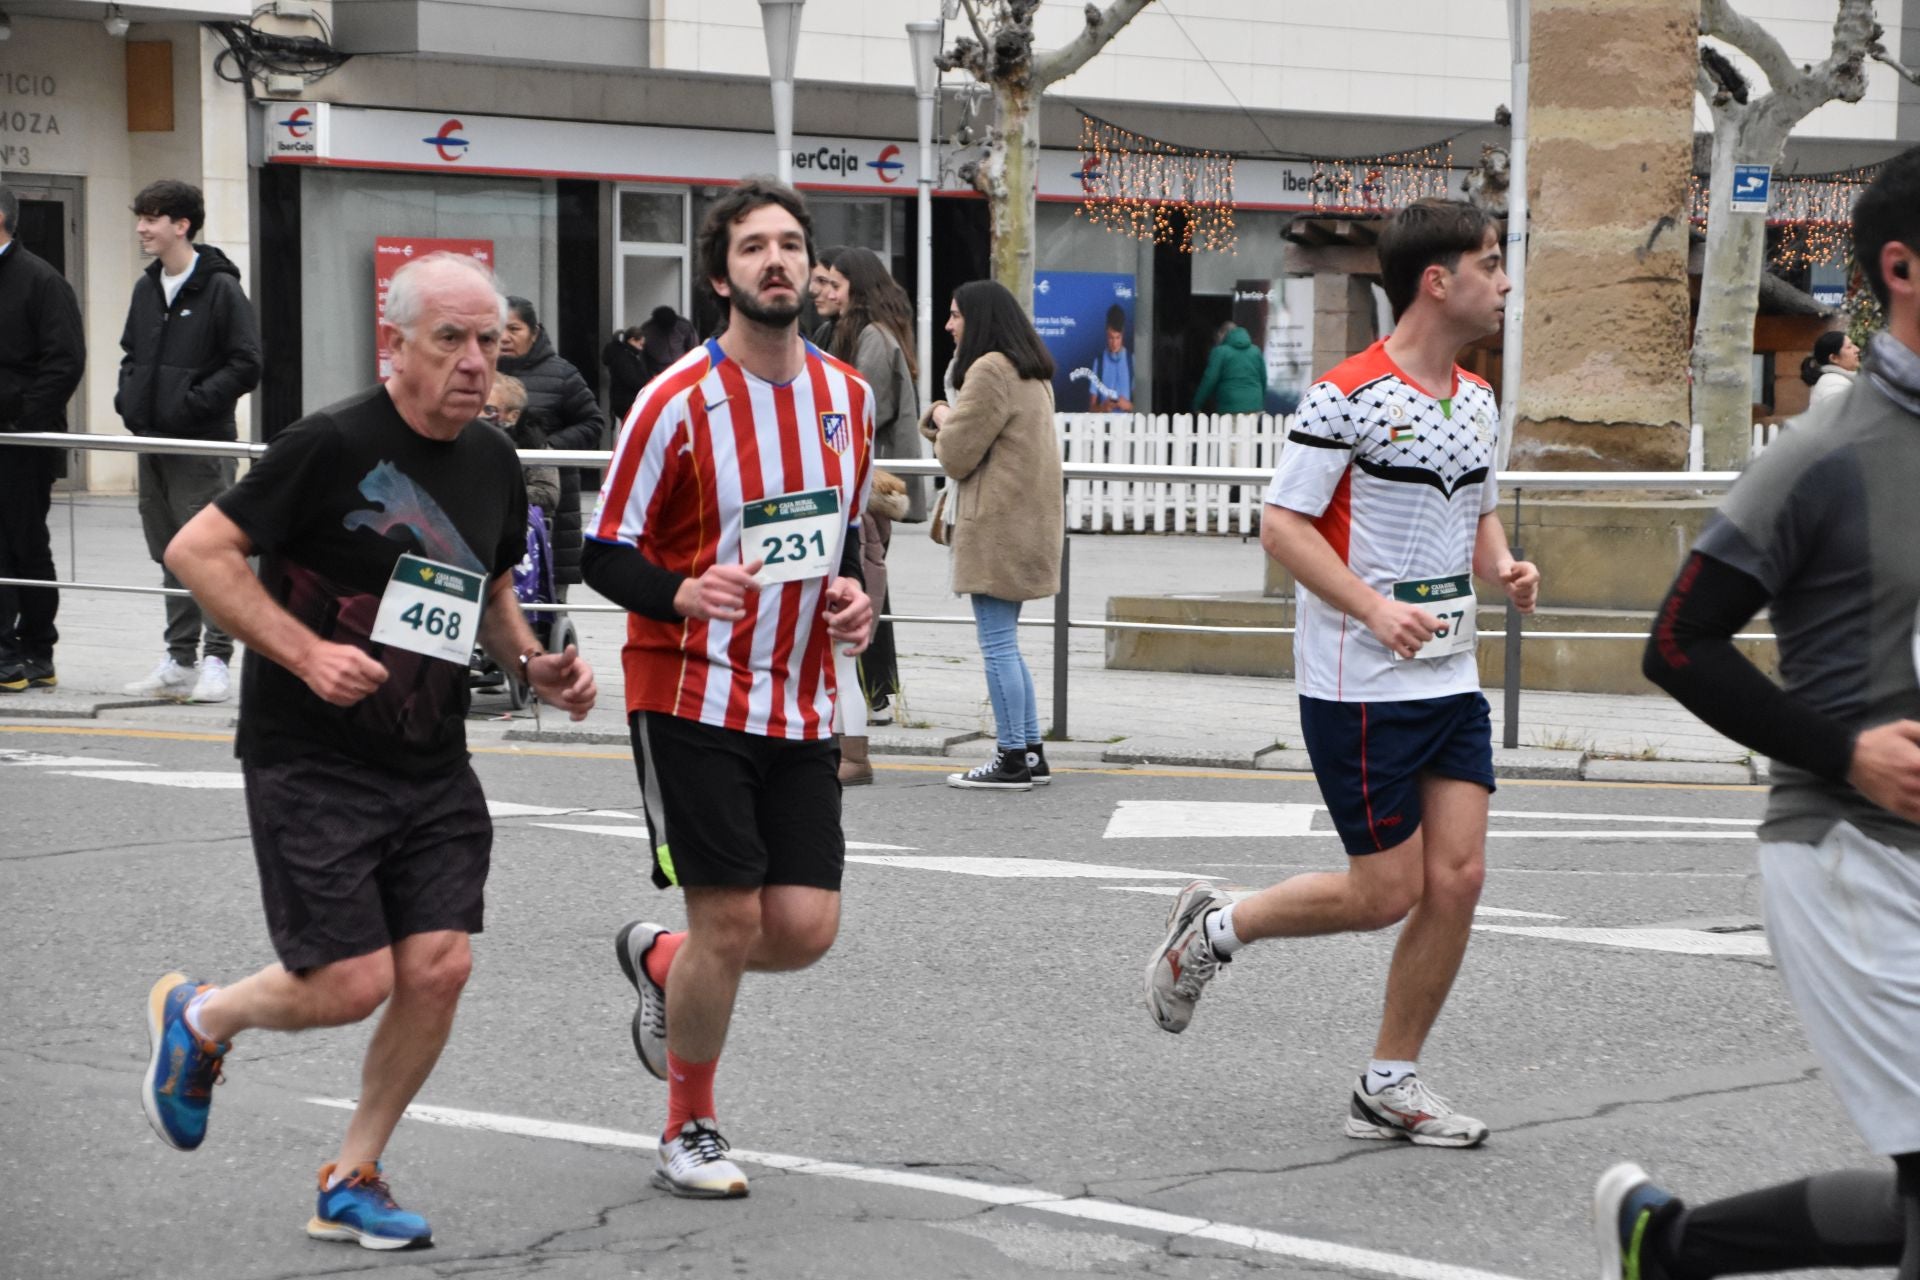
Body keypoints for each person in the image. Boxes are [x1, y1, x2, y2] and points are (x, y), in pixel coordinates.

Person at [141, 251, 597, 1251]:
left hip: (432, 758)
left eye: (489, 339)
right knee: (350, 981)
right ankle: (202, 1017)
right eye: (451, 339)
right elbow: (197, 552)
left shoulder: (490, 458)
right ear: (394, 346)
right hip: (313, 754)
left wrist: (535, 664)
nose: (477, 360)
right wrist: (305, 653)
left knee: (437, 966)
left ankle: (352, 1173)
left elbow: (486, 589)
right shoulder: (331, 441)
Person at [1143, 197, 1539, 1150]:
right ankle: (1215, 929)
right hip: (1358, 681)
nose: (1506, 281)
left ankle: (1389, 1081)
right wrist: (1371, 606)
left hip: (1446, 675)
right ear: (1438, 281)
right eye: (1492, 263)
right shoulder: (1346, 395)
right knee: (1383, 892)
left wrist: (1501, 565)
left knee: (1461, 877)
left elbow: (1473, 509)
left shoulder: (1478, 399)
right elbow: (1283, 525)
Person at [1594, 145, 1920, 1280]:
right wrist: (1848, 751)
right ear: (1903, 266)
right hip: (1854, 862)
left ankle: (1673, 1247)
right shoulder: (1827, 454)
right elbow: (1676, 642)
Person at [583, 178, 873, 1199]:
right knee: (730, 919)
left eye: (791, 243)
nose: (777, 260)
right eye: (754, 247)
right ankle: (689, 1124)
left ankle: (663, 965)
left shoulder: (850, 398)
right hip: (688, 690)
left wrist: (855, 601)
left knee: (803, 925)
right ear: (722, 275)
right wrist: (681, 589)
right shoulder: (673, 401)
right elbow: (602, 550)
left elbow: (841, 540)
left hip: (798, 697)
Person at [116, 180, 262, 705]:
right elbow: (131, 352)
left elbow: (247, 363)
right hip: (151, 442)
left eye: (152, 218)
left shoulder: (221, 289)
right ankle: (179, 660)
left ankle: (218, 659)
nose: (141, 228)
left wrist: (193, 404)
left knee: (213, 553)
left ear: (182, 225)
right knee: (170, 553)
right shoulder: (146, 287)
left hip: (202, 446)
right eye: (140, 216)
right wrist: (130, 399)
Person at [922, 279, 1063, 792]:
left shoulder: (989, 369)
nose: (949, 325)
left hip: (996, 528)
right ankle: (1029, 753)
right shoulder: (1030, 371)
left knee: (997, 644)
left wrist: (939, 415)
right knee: (1008, 644)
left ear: (978, 320)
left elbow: (957, 454)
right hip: (1027, 525)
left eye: (956, 315)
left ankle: (1009, 757)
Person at [826, 246, 922, 751]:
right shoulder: (876, 333)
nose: (821, 291)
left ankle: (874, 696)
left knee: (863, 578)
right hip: (870, 481)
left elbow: (864, 410)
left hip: (868, 483)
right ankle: (877, 692)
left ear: (855, 288)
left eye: (832, 283)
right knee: (867, 576)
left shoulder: (870, 339)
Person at [0, 181, 85, 695]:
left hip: (21, 440)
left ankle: (35, 650)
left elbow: (65, 362)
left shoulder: (41, 281)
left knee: (24, 545)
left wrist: (21, 422)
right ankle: (7, 653)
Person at [499, 295, 606, 599]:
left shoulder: (562, 375)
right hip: (496, 502)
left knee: (546, 602)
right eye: (498, 329)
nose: (505, 337)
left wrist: (547, 448)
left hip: (549, 505)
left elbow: (593, 424)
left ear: (534, 332)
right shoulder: (480, 372)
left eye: (514, 329)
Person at [482, 372, 560, 526]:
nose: (479, 415)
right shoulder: (461, 435)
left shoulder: (533, 445)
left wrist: (499, 491)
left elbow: (548, 495)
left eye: (488, 409)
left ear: (513, 416)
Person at [1193, 321, 1268, 415]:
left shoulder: (1220, 352)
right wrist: (1258, 401)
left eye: (1218, 335)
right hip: (1254, 406)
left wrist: (1197, 404)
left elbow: (1209, 379)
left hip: (1229, 406)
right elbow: (1263, 379)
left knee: (1231, 429)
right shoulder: (1256, 351)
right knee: (1249, 430)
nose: (1217, 338)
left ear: (1223, 334)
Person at [636, 304, 699, 387]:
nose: (668, 330)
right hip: (658, 373)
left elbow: (693, 348)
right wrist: (648, 377)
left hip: (681, 369)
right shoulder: (646, 331)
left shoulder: (684, 326)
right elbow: (643, 356)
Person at [1088, 303, 1134, 412]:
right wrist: (1103, 407)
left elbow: (1144, 409)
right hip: (1104, 427)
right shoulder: (1099, 362)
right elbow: (1091, 409)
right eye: (1111, 338)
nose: (1114, 343)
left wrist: (1129, 406)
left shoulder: (1132, 361)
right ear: (1106, 334)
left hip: (1127, 427)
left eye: (1117, 338)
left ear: (1123, 334)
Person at [1800, 329, 1860, 411]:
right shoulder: (1834, 384)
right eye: (1849, 347)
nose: (1857, 349)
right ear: (1834, 358)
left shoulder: (1835, 380)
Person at [603, 326, 649, 427]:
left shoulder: (623, 355)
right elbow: (633, 380)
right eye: (640, 344)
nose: (641, 348)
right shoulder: (625, 358)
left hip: (623, 400)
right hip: (627, 401)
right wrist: (647, 385)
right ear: (632, 340)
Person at [808, 244, 845, 348]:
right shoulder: (823, 332)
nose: (812, 290)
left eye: (822, 281)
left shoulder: (870, 335)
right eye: (810, 281)